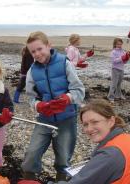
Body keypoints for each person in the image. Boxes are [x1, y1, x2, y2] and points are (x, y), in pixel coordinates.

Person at [20, 31, 85, 182]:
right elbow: (30, 97)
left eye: (40, 49)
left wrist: (67, 98)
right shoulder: (32, 71)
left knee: (63, 158)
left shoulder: (64, 63)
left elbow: (79, 91)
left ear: (49, 45)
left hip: (66, 119)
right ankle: (29, 179)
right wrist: (38, 105)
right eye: (33, 51)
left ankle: (61, 180)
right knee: (31, 154)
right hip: (44, 120)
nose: (37, 53)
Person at [49, 99, 130, 184]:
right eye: (85, 124)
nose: (89, 129)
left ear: (111, 121)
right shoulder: (129, 139)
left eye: (95, 122)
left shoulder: (110, 154)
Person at [107, 38, 130, 103]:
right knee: (114, 83)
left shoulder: (123, 51)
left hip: (121, 69)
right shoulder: (113, 52)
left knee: (119, 83)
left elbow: (124, 62)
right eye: (118, 44)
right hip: (115, 69)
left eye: (120, 44)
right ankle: (110, 96)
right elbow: (113, 61)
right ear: (115, 44)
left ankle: (118, 95)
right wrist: (121, 58)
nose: (119, 45)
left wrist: (126, 58)